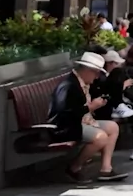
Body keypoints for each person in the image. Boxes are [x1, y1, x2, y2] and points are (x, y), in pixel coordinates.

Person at [47, 51, 128, 183]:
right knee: (100, 137)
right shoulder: (69, 86)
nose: (97, 77)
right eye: (96, 73)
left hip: (79, 121)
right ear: (88, 70)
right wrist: (91, 107)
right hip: (64, 126)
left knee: (112, 127)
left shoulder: (81, 83)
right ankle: (74, 168)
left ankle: (106, 169)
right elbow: (66, 113)